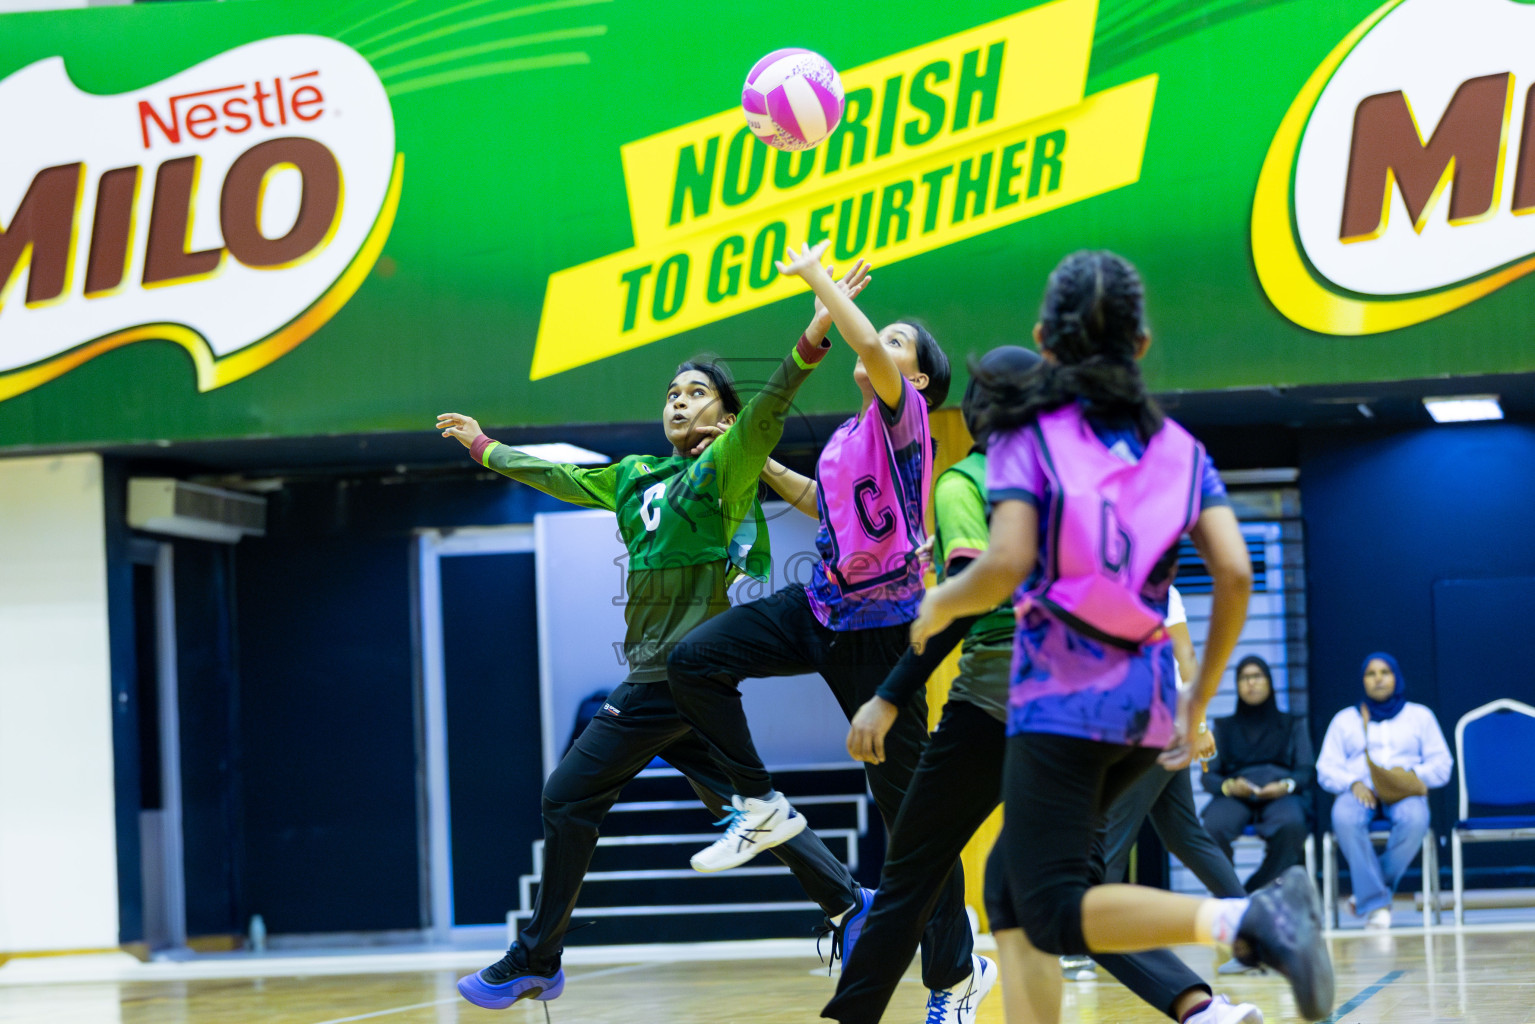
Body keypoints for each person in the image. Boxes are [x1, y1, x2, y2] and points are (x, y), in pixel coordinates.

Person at [436, 260, 874, 1010]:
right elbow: (559, 477)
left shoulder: (727, 466)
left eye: (696, 392)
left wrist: (815, 328)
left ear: (723, 415)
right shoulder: (636, 474)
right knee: (744, 806)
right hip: (657, 675)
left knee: (567, 797)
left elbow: (773, 402)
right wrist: (485, 447)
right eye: (672, 393)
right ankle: (850, 903)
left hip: (671, 675)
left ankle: (537, 955)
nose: (679, 401)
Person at [910, 250, 1334, 1023]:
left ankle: (1244, 921)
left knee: (1047, 907)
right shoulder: (1180, 450)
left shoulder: (1025, 437)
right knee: (1010, 885)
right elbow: (1233, 575)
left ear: (1043, 341)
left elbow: (1001, 566)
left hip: (1061, 703)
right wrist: (1197, 697)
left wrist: (938, 602)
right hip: (1146, 706)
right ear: (1141, 344)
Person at [824, 350, 1260, 1024]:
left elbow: (977, 594)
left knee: (914, 876)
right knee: (1042, 888)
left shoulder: (970, 480)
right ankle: (1204, 1001)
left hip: (1002, 701)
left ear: (974, 416)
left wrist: (889, 690)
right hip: (1110, 710)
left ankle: (1233, 924)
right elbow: (1198, 579)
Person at [666, 240, 973, 1016]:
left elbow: (866, 342)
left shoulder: (905, 421)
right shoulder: (849, 437)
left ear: (919, 379)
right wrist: (763, 464)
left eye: (900, 343)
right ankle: (761, 805)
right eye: (887, 336)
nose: (882, 344)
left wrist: (816, 286)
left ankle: (956, 977)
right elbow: (823, 506)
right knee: (696, 661)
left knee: (912, 823)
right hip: (822, 606)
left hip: (883, 631)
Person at [1064, 587, 1248, 982]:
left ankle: (1081, 949)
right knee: (1184, 835)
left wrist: (1199, 725)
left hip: (1151, 727)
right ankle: (1254, 931)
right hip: (1138, 726)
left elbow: (1185, 655)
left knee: (1110, 836)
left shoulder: (1153, 585)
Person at [1316, 652, 1452, 929]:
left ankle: (1371, 895)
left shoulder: (1420, 716)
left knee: (1415, 819)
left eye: (1385, 672)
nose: (1378, 679)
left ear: (1396, 677)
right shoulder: (1345, 720)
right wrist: (1352, 783)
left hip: (1404, 793)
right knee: (1343, 816)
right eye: (1371, 674)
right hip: (1359, 792)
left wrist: (1408, 777)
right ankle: (1378, 901)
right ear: (1362, 681)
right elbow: (1325, 768)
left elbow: (1442, 765)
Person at [1201, 655, 1315, 894]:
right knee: (1213, 826)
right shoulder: (1223, 727)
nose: (1251, 683)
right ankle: (1227, 895)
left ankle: (1250, 894)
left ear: (1269, 682)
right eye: (1244, 678)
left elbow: (1305, 770)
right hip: (1235, 794)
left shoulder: (1292, 723)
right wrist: (1230, 786)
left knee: (1292, 825)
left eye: (1257, 676)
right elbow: (1208, 776)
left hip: (1280, 793)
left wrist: (1286, 785)